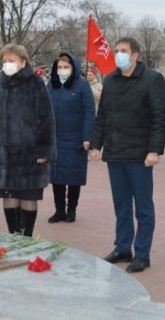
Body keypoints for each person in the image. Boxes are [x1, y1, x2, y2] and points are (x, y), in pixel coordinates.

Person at [89, 37, 165, 273]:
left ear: (135, 55)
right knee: (121, 205)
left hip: (140, 155)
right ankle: (123, 247)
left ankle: (142, 253)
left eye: (123, 51)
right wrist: (96, 145)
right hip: (115, 153)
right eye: (117, 51)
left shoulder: (152, 79)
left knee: (143, 207)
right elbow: (102, 115)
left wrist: (154, 150)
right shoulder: (111, 80)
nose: (118, 55)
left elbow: (160, 118)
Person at [0, 44, 56, 237]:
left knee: (27, 195)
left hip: (29, 152)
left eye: (11, 60)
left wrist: (44, 151)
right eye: (4, 61)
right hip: (3, 153)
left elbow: (46, 118)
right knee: (8, 195)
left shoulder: (35, 83)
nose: (7, 64)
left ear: (23, 62)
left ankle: (26, 237)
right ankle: (13, 235)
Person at [46, 52, 95, 223]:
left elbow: (90, 111)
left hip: (75, 138)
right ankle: (59, 210)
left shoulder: (82, 86)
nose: (62, 70)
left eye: (66, 67)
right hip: (55, 138)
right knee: (56, 175)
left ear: (73, 68)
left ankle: (71, 209)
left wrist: (87, 136)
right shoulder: (51, 85)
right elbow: (44, 110)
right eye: (60, 67)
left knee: (73, 175)